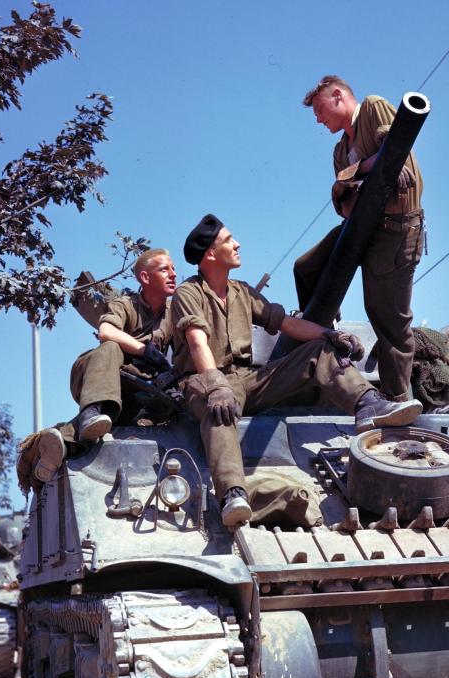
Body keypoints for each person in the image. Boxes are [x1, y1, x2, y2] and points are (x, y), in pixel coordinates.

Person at [171, 214, 422, 528]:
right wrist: (215, 384)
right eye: (228, 240)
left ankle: (367, 404)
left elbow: (286, 323)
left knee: (317, 352)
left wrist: (327, 335)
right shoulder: (188, 294)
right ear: (210, 254)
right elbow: (196, 341)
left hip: (246, 380)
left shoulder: (242, 292)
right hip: (203, 380)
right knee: (219, 409)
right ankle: (233, 493)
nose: (237, 244)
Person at [295, 75, 425, 403]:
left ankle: (397, 401)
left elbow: (393, 153)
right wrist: (366, 169)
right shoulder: (340, 151)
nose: (317, 119)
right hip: (361, 227)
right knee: (306, 267)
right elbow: (344, 199)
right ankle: (324, 335)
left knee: (388, 318)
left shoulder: (372, 107)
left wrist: (358, 175)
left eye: (320, 110)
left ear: (338, 96)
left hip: (395, 230)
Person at [23, 248, 177, 486]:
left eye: (174, 268)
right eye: (165, 269)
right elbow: (106, 332)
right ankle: (90, 413)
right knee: (111, 348)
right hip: (98, 376)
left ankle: (58, 446)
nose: (173, 274)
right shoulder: (126, 305)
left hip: (136, 395)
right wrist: (143, 350)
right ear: (145, 278)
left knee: (114, 431)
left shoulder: (174, 314)